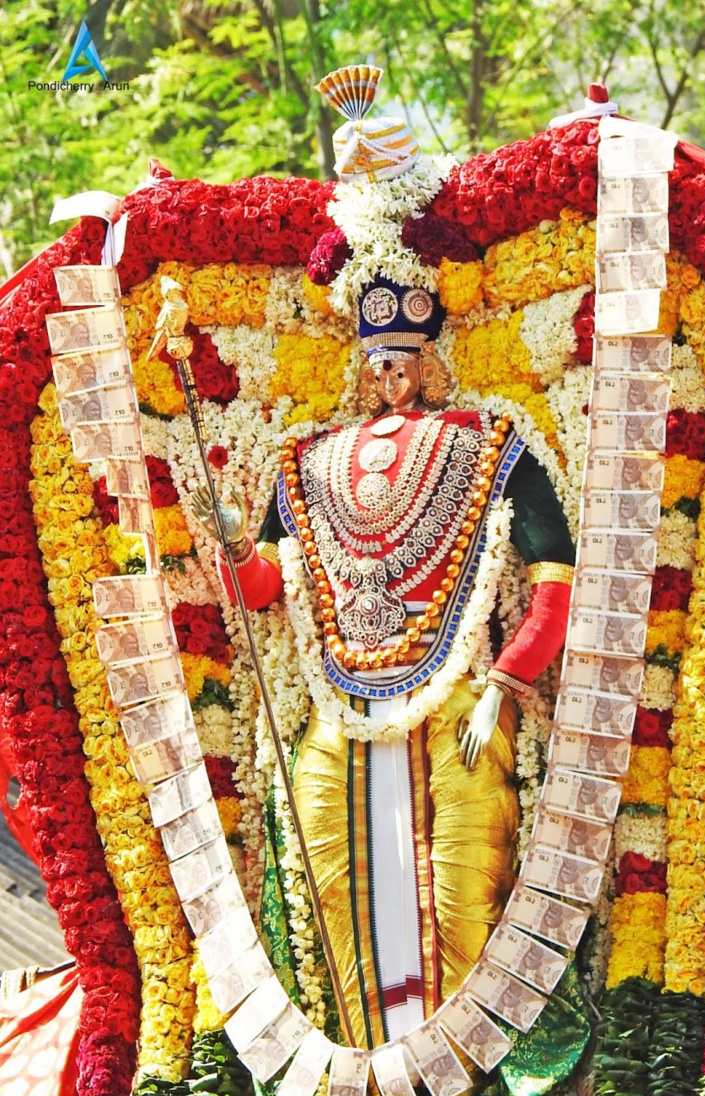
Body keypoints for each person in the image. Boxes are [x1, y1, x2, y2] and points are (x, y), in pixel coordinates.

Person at [193, 268, 577, 1056]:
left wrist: (503, 688)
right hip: (344, 710)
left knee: (464, 894)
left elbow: (555, 582)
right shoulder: (309, 461)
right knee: (331, 877)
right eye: (377, 358)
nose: (389, 372)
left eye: (404, 355)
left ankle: (469, 1069)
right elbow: (262, 587)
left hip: (456, 699)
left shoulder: (488, 446)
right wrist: (232, 540)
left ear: (433, 360)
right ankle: (371, 1067)